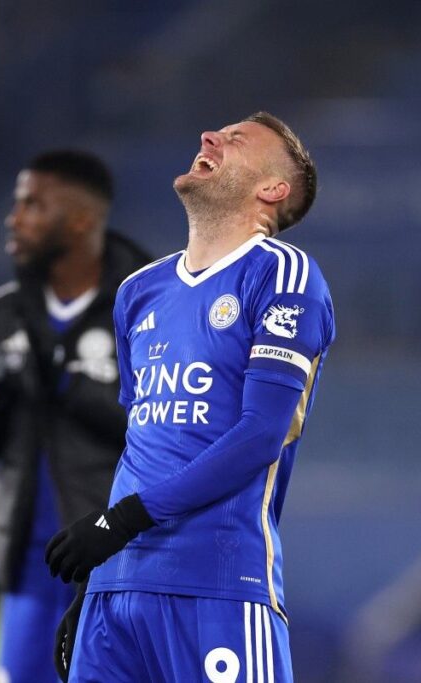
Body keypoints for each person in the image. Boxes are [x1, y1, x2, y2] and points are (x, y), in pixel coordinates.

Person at [45, 112, 335, 682]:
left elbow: (258, 436)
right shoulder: (138, 292)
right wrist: (98, 574)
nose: (208, 137)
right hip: (117, 592)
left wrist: (121, 521)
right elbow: (144, 443)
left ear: (272, 190)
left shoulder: (283, 275)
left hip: (218, 584)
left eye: (235, 140)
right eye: (214, 133)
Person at [0, 150, 151, 683]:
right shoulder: (0, 314)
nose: (15, 217)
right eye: (16, 203)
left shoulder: (149, 304)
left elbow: (163, 430)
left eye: (33, 204)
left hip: (118, 558)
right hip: (30, 564)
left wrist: (63, 381)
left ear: (80, 219)